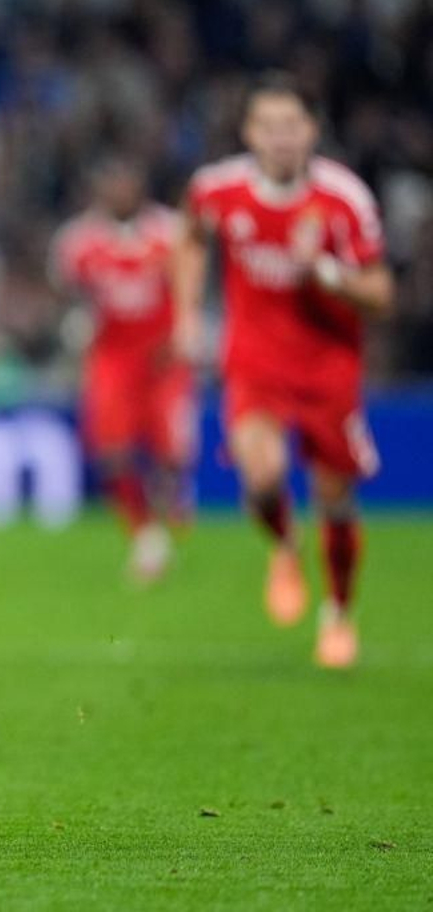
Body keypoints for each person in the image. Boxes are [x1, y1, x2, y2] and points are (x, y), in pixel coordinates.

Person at [174, 73, 394, 668]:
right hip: (254, 361)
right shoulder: (216, 189)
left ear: (312, 131)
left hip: (328, 365)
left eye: (291, 126)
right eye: (268, 126)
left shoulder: (343, 199)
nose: (280, 138)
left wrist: (324, 269)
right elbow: (191, 240)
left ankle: (339, 615)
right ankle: (285, 545)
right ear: (249, 132)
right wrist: (189, 315)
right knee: (262, 476)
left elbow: (381, 292)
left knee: (334, 498)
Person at [50, 154, 196, 583]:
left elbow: (188, 285)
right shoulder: (78, 241)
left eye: (127, 182)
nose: (120, 191)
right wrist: (76, 323)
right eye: (112, 183)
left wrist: (187, 330)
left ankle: (173, 491)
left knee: (171, 455)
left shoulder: (169, 233)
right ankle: (146, 538)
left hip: (163, 359)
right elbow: (66, 292)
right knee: (112, 453)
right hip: (112, 359)